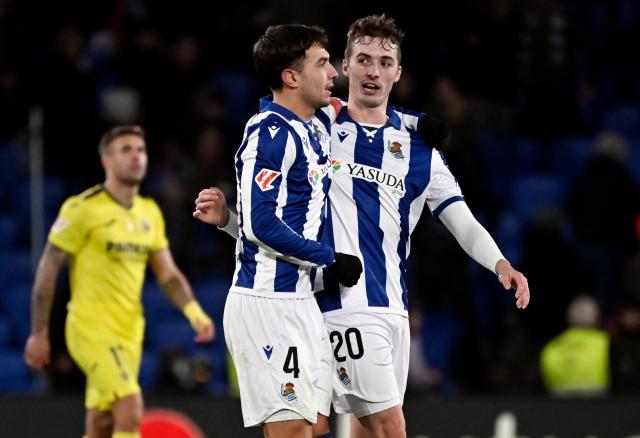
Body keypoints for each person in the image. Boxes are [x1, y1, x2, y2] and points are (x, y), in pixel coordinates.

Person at [195, 15, 530, 438]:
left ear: (398, 73)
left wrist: (500, 263)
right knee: (387, 427)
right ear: (346, 66)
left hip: (393, 306)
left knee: (345, 428)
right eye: (364, 59)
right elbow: (277, 213)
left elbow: (461, 220)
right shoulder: (316, 128)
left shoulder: (419, 151)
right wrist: (230, 221)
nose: (374, 70)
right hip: (336, 303)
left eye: (385, 62)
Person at [206, 24, 362, 438]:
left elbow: (367, 106)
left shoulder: (312, 126)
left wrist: (227, 221)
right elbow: (262, 225)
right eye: (323, 63)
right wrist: (329, 258)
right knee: (292, 430)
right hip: (266, 305)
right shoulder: (268, 133)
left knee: (318, 426)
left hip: (302, 301)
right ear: (291, 77)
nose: (334, 73)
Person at [23, 125, 215, 438]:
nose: (136, 157)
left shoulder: (149, 212)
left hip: (129, 331)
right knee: (130, 408)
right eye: (126, 150)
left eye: (140, 150)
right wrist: (39, 333)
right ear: (107, 161)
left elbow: (167, 274)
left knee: (101, 423)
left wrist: (194, 312)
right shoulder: (82, 208)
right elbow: (48, 270)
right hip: (90, 329)